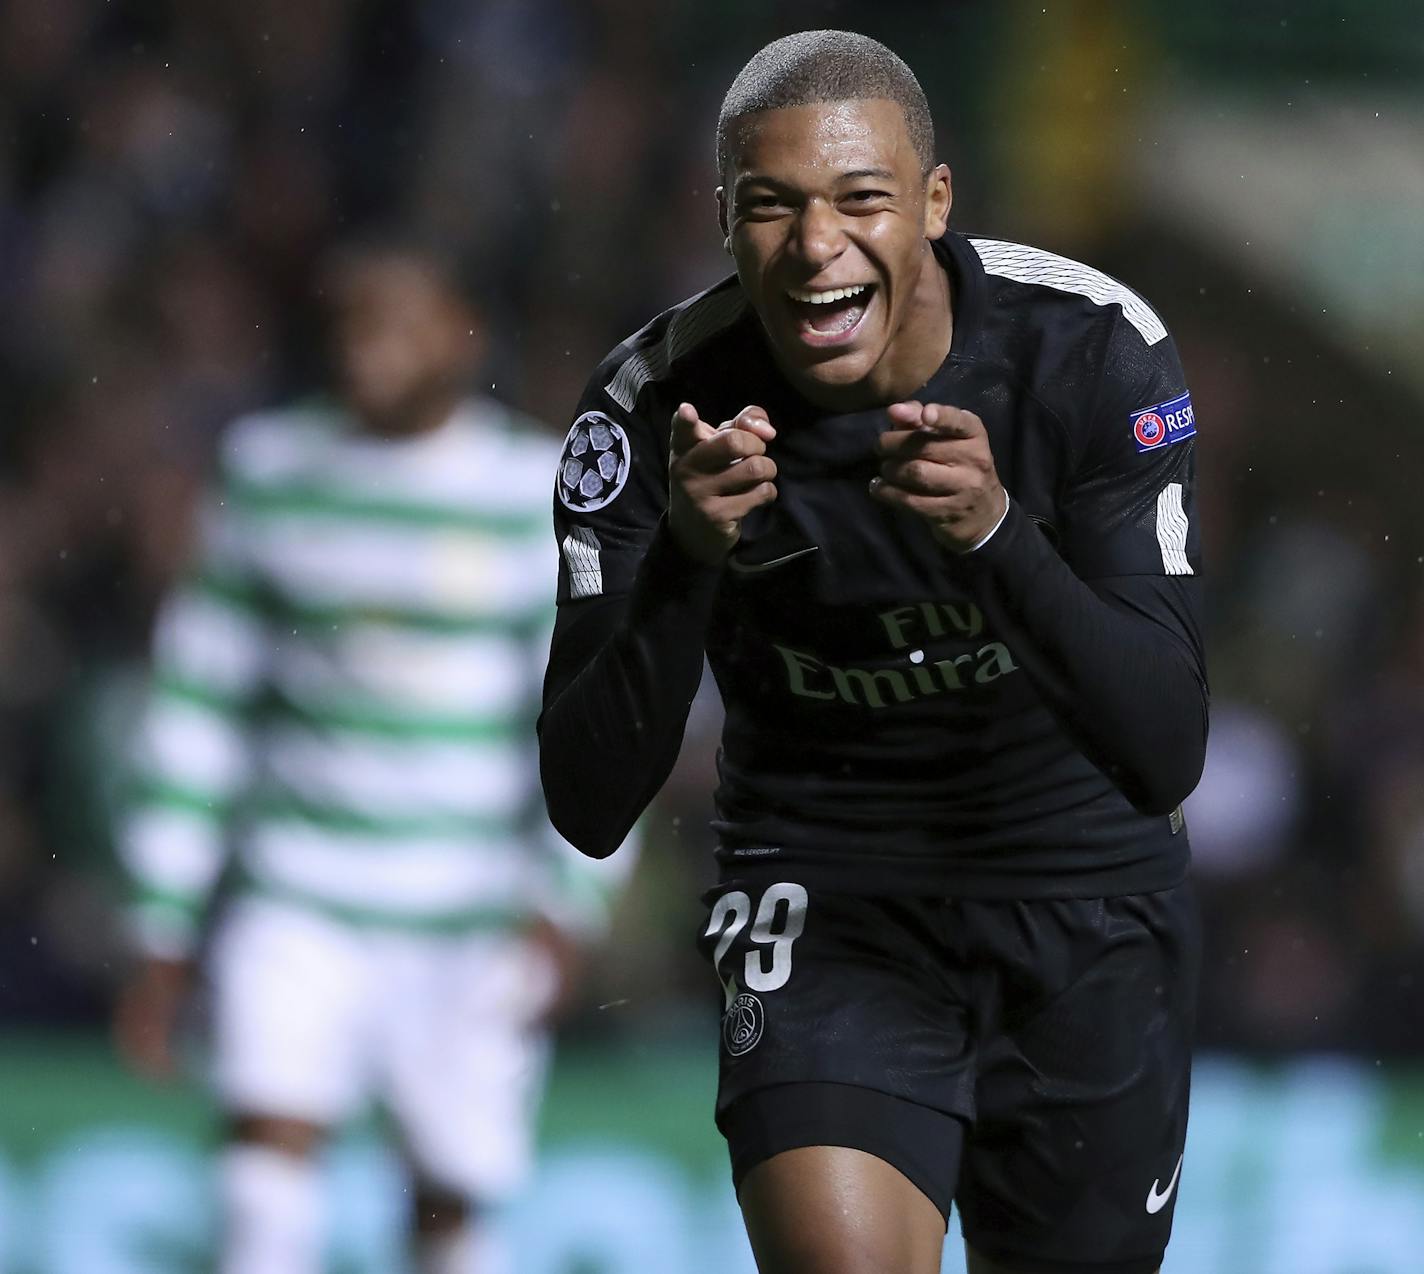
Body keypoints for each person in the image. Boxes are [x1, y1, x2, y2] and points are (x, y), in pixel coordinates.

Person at [539, 28, 1206, 1274]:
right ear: (723, 217)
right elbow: (585, 800)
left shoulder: (1087, 350)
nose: (815, 246)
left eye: (861, 199)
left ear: (934, 203)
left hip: (1083, 901)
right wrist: (686, 553)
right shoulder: (648, 406)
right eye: (770, 206)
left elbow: (1164, 747)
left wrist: (998, 537)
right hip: (827, 892)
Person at [114, 239, 627, 1274]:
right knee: (263, 1183)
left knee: (451, 1205)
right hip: (298, 900)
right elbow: (199, 696)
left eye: (399, 324)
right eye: (353, 325)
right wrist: (163, 912)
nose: (370, 351)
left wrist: (571, 896)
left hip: (466, 914)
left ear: (460, 334)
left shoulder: (529, 488)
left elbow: (589, 710)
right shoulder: (270, 472)